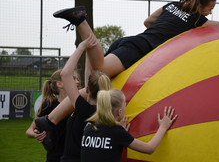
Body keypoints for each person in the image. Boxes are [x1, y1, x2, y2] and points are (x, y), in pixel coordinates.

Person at [53, 0, 219, 78]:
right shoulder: (198, 20)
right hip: (139, 49)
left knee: (93, 85)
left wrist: (165, 32)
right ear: (201, 6)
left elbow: (148, 21)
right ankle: (81, 21)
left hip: (131, 41)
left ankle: (49, 120)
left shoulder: (172, 5)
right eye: (209, 9)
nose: (210, 13)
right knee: (99, 69)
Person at [81, 89, 177, 162]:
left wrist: (121, 136)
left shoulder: (89, 128)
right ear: (120, 112)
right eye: (125, 106)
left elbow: (100, 152)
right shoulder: (116, 132)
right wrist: (163, 127)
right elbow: (149, 148)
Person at [60, 33, 111, 162]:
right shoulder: (102, 112)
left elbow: (65, 74)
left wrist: (81, 47)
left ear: (86, 89)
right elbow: (89, 74)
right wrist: (89, 51)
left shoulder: (84, 109)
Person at [26, 69, 79, 162]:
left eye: (77, 79)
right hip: (54, 158)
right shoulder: (48, 105)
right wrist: (36, 134)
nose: (78, 82)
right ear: (60, 84)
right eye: (73, 79)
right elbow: (29, 131)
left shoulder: (80, 104)